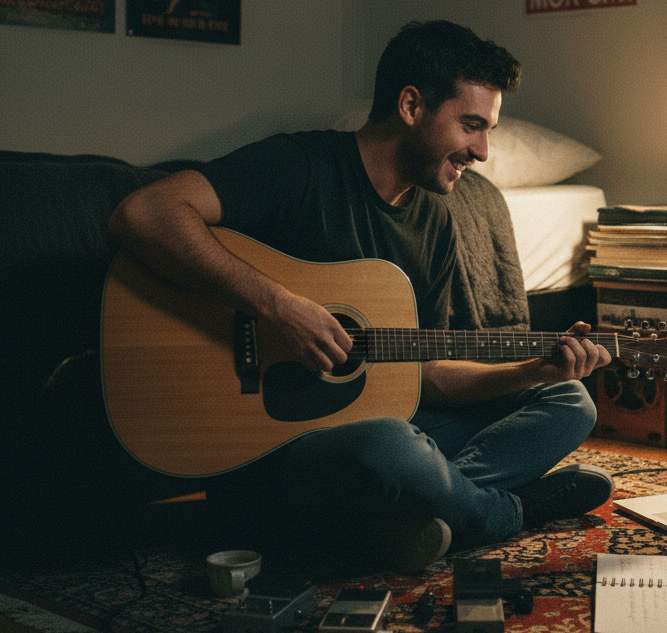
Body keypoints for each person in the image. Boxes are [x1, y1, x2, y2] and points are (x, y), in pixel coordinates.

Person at [108, 20, 615, 573]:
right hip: (274, 449)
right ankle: (503, 513)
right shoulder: (298, 166)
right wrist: (278, 305)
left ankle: (416, 513)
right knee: (392, 447)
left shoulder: (439, 221)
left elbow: (429, 376)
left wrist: (534, 370)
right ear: (410, 105)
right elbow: (144, 213)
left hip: (376, 434)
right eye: (471, 125)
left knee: (569, 403)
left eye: (488, 130)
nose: (483, 151)